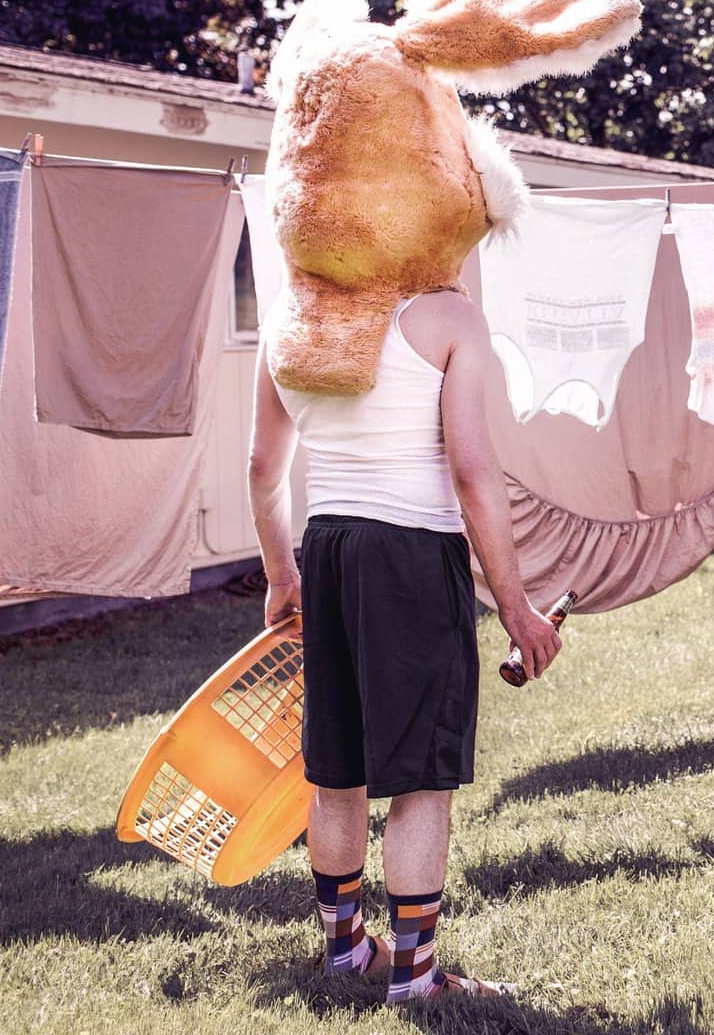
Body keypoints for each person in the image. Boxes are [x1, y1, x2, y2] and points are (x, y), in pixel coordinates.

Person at [248, 286, 561, 1002]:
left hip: (326, 549)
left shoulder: (288, 318)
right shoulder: (447, 317)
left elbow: (263, 470)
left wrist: (280, 574)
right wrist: (516, 607)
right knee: (420, 777)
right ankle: (414, 981)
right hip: (413, 551)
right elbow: (472, 471)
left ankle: (346, 955)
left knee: (338, 770)